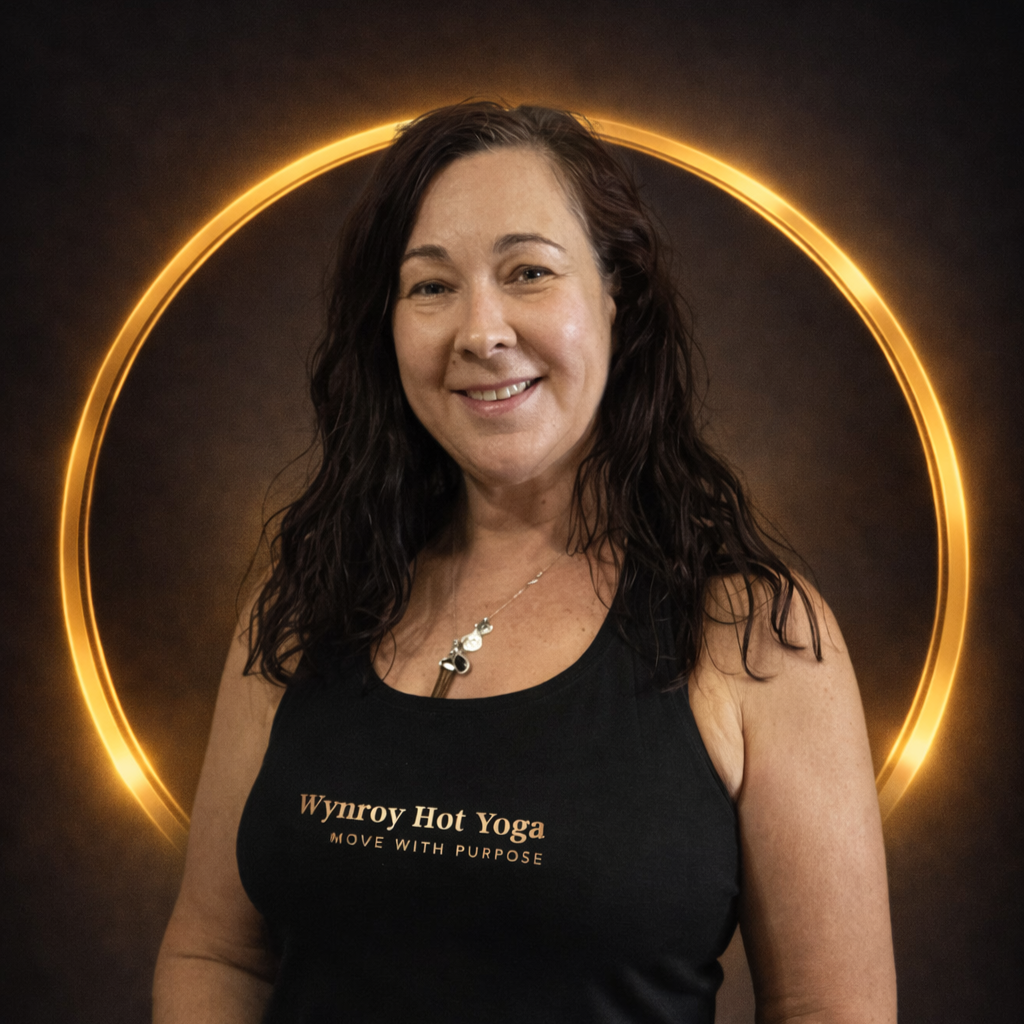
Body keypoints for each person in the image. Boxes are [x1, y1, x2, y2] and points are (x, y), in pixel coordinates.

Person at [153, 102, 897, 1023]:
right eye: (431, 286)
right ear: (388, 327)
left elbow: (829, 1009)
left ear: (618, 299)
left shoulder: (755, 637)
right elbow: (216, 954)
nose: (481, 331)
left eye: (529, 273)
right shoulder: (307, 601)